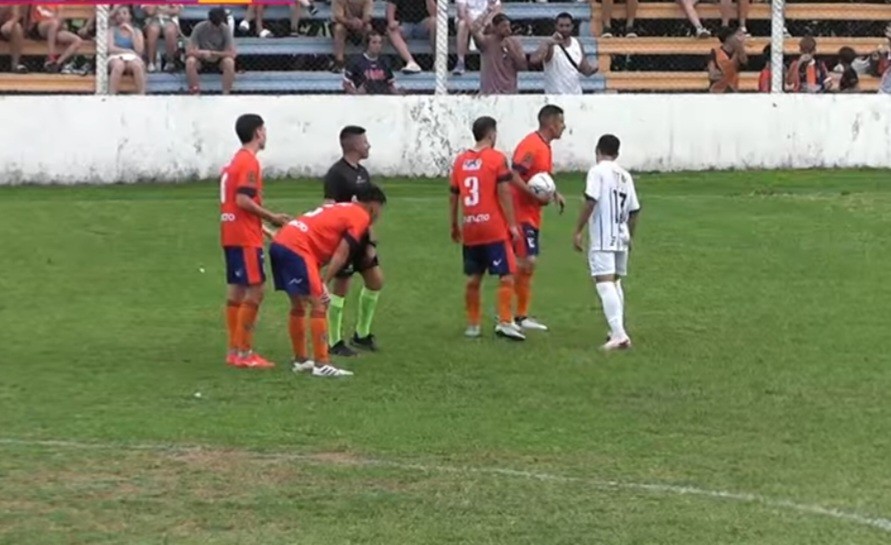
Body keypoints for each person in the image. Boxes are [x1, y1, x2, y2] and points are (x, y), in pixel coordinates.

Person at [269, 185, 388, 378]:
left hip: (282, 242)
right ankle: (322, 363)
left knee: (298, 304)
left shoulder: (342, 208)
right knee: (319, 303)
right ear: (374, 206)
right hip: (297, 247)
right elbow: (342, 253)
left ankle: (300, 360)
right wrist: (325, 281)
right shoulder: (361, 216)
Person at [220, 114, 292, 369]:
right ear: (258, 132)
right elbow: (243, 201)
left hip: (231, 232)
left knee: (237, 290)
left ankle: (234, 350)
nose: (266, 135)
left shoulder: (234, 162)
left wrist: (265, 231)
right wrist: (272, 217)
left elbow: (235, 206)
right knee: (256, 290)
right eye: (264, 130)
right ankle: (244, 352)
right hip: (243, 237)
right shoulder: (249, 163)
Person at [450, 116, 525, 341]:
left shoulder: (460, 161)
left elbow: (454, 196)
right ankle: (505, 321)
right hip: (493, 227)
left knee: (474, 277)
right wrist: (512, 224)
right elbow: (503, 193)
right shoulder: (496, 159)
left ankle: (473, 325)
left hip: (471, 227)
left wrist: (454, 224)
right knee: (506, 275)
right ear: (491, 134)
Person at [572, 134, 641, 351]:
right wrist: (629, 236)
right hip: (621, 235)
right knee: (615, 281)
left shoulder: (597, 171)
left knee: (604, 283)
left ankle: (619, 334)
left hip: (603, 235)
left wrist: (578, 230)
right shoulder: (625, 175)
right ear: (617, 153)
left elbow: (591, 199)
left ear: (597, 151)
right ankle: (616, 330)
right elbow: (634, 210)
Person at [322, 126, 384, 357]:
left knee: (375, 281)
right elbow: (328, 206)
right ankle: (334, 340)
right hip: (345, 239)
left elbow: (368, 209)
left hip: (362, 237)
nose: (368, 145)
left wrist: (370, 238)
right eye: (365, 142)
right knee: (341, 287)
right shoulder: (336, 174)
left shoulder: (363, 173)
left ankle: (361, 334)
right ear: (353, 145)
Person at [509, 104, 567, 332]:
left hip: (532, 214)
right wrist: (532, 194)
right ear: (551, 124)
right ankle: (507, 316)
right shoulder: (532, 145)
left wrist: (554, 193)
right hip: (520, 213)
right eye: (561, 122)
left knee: (528, 264)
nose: (564, 127)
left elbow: (540, 178)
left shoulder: (545, 147)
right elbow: (513, 175)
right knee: (526, 262)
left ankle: (520, 316)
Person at [530, 12, 598, 95]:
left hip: (575, 95)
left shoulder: (577, 43)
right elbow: (534, 60)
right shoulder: (550, 45)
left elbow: (585, 70)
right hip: (555, 96)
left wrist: (594, 68)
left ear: (572, 26)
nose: (564, 29)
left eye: (567, 26)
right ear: (556, 26)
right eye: (561, 26)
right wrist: (546, 44)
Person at [472, 10, 527, 95]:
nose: (507, 29)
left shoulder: (515, 42)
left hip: (510, 92)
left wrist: (511, 49)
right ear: (495, 27)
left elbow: (523, 66)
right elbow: (474, 29)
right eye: (503, 26)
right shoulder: (486, 41)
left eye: (508, 26)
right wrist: (487, 13)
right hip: (489, 93)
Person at [186, 7, 237, 95]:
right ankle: (195, 91)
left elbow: (232, 53)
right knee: (190, 61)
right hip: (201, 60)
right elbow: (189, 51)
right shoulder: (199, 28)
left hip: (219, 60)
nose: (215, 27)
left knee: (229, 62)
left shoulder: (225, 29)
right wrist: (201, 53)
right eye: (213, 24)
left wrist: (215, 53)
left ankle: (226, 93)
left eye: (218, 24)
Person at [28, 4, 84, 73]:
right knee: (53, 23)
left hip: (54, 28)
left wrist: (61, 25)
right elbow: (33, 17)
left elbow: (60, 18)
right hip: (40, 25)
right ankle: (50, 56)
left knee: (77, 40)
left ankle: (56, 64)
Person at [454, 0, 501, 75]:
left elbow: (497, 9)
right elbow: (462, 13)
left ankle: (494, 64)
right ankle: (460, 62)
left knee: (493, 25)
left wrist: (484, 24)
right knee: (462, 24)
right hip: (468, 20)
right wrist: (474, 28)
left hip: (484, 19)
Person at [107, 6, 147, 95]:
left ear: (130, 16)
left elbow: (139, 50)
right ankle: (111, 95)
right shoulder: (112, 30)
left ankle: (142, 95)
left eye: (124, 13)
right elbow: (110, 48)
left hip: (132, 57)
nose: (121, 16)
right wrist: (127, 51)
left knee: (137, 66)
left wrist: (132, 32)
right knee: (118, 66)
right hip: (115, 56)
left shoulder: (137, 31)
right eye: (118, 14)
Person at [386, 0, 434, 73]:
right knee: (391, 30)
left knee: (435, 22)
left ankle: (438, 61)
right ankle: (411, 62)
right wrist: (391, 21)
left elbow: (434, 14)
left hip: (423, 24)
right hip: (404, 25)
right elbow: (390, 7)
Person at [331, 0, 373, 73]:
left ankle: (368, 60)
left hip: (360, 26)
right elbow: (338, 17)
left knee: (368, 28)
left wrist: (361, 22)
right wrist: (350, 22)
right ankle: (339, 62)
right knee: (338, 28)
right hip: (344, 25)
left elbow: (368, 16)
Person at [141, 3, 182, 73]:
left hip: (170, 20)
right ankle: (151, 63)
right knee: (153, 30)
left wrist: (159, 9)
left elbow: (176, 11)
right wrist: (166, 8)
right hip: (152, 20)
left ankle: (170, 62)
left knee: (170, 31)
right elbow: (150, 12)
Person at [708, 26, 746, 93]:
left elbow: (744, 62)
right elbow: (712, 74)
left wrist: (740, 48)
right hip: (717, 90)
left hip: (732, 90)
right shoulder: (715, 52)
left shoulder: (738, 52)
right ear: (728, 38)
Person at [0, 5, 27, 74]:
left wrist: (11, 23)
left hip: (4, 25)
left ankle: (16, 65)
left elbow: (16, 15)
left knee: (17, 27)